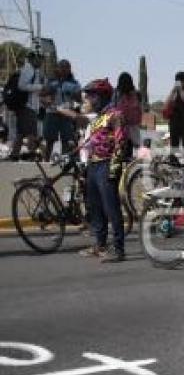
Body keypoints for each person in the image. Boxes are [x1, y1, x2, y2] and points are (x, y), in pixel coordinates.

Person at [59, 78, 127, 262]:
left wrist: (114, 168)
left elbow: (121, 143)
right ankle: (100, 244)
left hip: (107, 165)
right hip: (94, 165)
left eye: (91, 96)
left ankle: (119, 249)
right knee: (95, 208)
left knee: (111, 208)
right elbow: (90, 141)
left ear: (102, 97)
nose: (88, 99)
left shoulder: (116, 115)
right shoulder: (97, 119)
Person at [9, 50, 45, 161]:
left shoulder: (33, 70)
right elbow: (22, 86)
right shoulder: (28, 69)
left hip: (28, 106)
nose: (41, 61)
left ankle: (15, 154)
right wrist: (40, 87)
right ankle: (31, 154)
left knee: (22, 131)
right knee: (32, 132)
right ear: (33, 58)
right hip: (27, 106)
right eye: (40, 58)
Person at [43, 59, 81, 156]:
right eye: (61, 67)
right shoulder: (51, 81)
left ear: (69, 69)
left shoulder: (74, 83)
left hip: (67, 114)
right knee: (49, 140)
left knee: (67, 140)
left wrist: (74, 94)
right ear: (57, 68)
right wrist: (47, 99)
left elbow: (79, 99)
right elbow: (42, 95)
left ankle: (64, 162)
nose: (64, 69)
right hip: (52, 113)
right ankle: (46, 161)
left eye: (66, 67)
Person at [165, 71, 184, 149]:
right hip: (175, 122)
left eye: (181, 81)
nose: (179, 83)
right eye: (177, 81)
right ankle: (173, 160)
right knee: (174, 145)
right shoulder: (174, 93)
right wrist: (173, 91)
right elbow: (166, 104)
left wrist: (181, 92)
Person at [114, 72, 143, 152]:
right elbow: (140, 111)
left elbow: (113, 109)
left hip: (120, 127)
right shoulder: (137, 94)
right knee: (132, 152)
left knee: (120, 152)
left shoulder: (117, 94)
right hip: (133, 127)